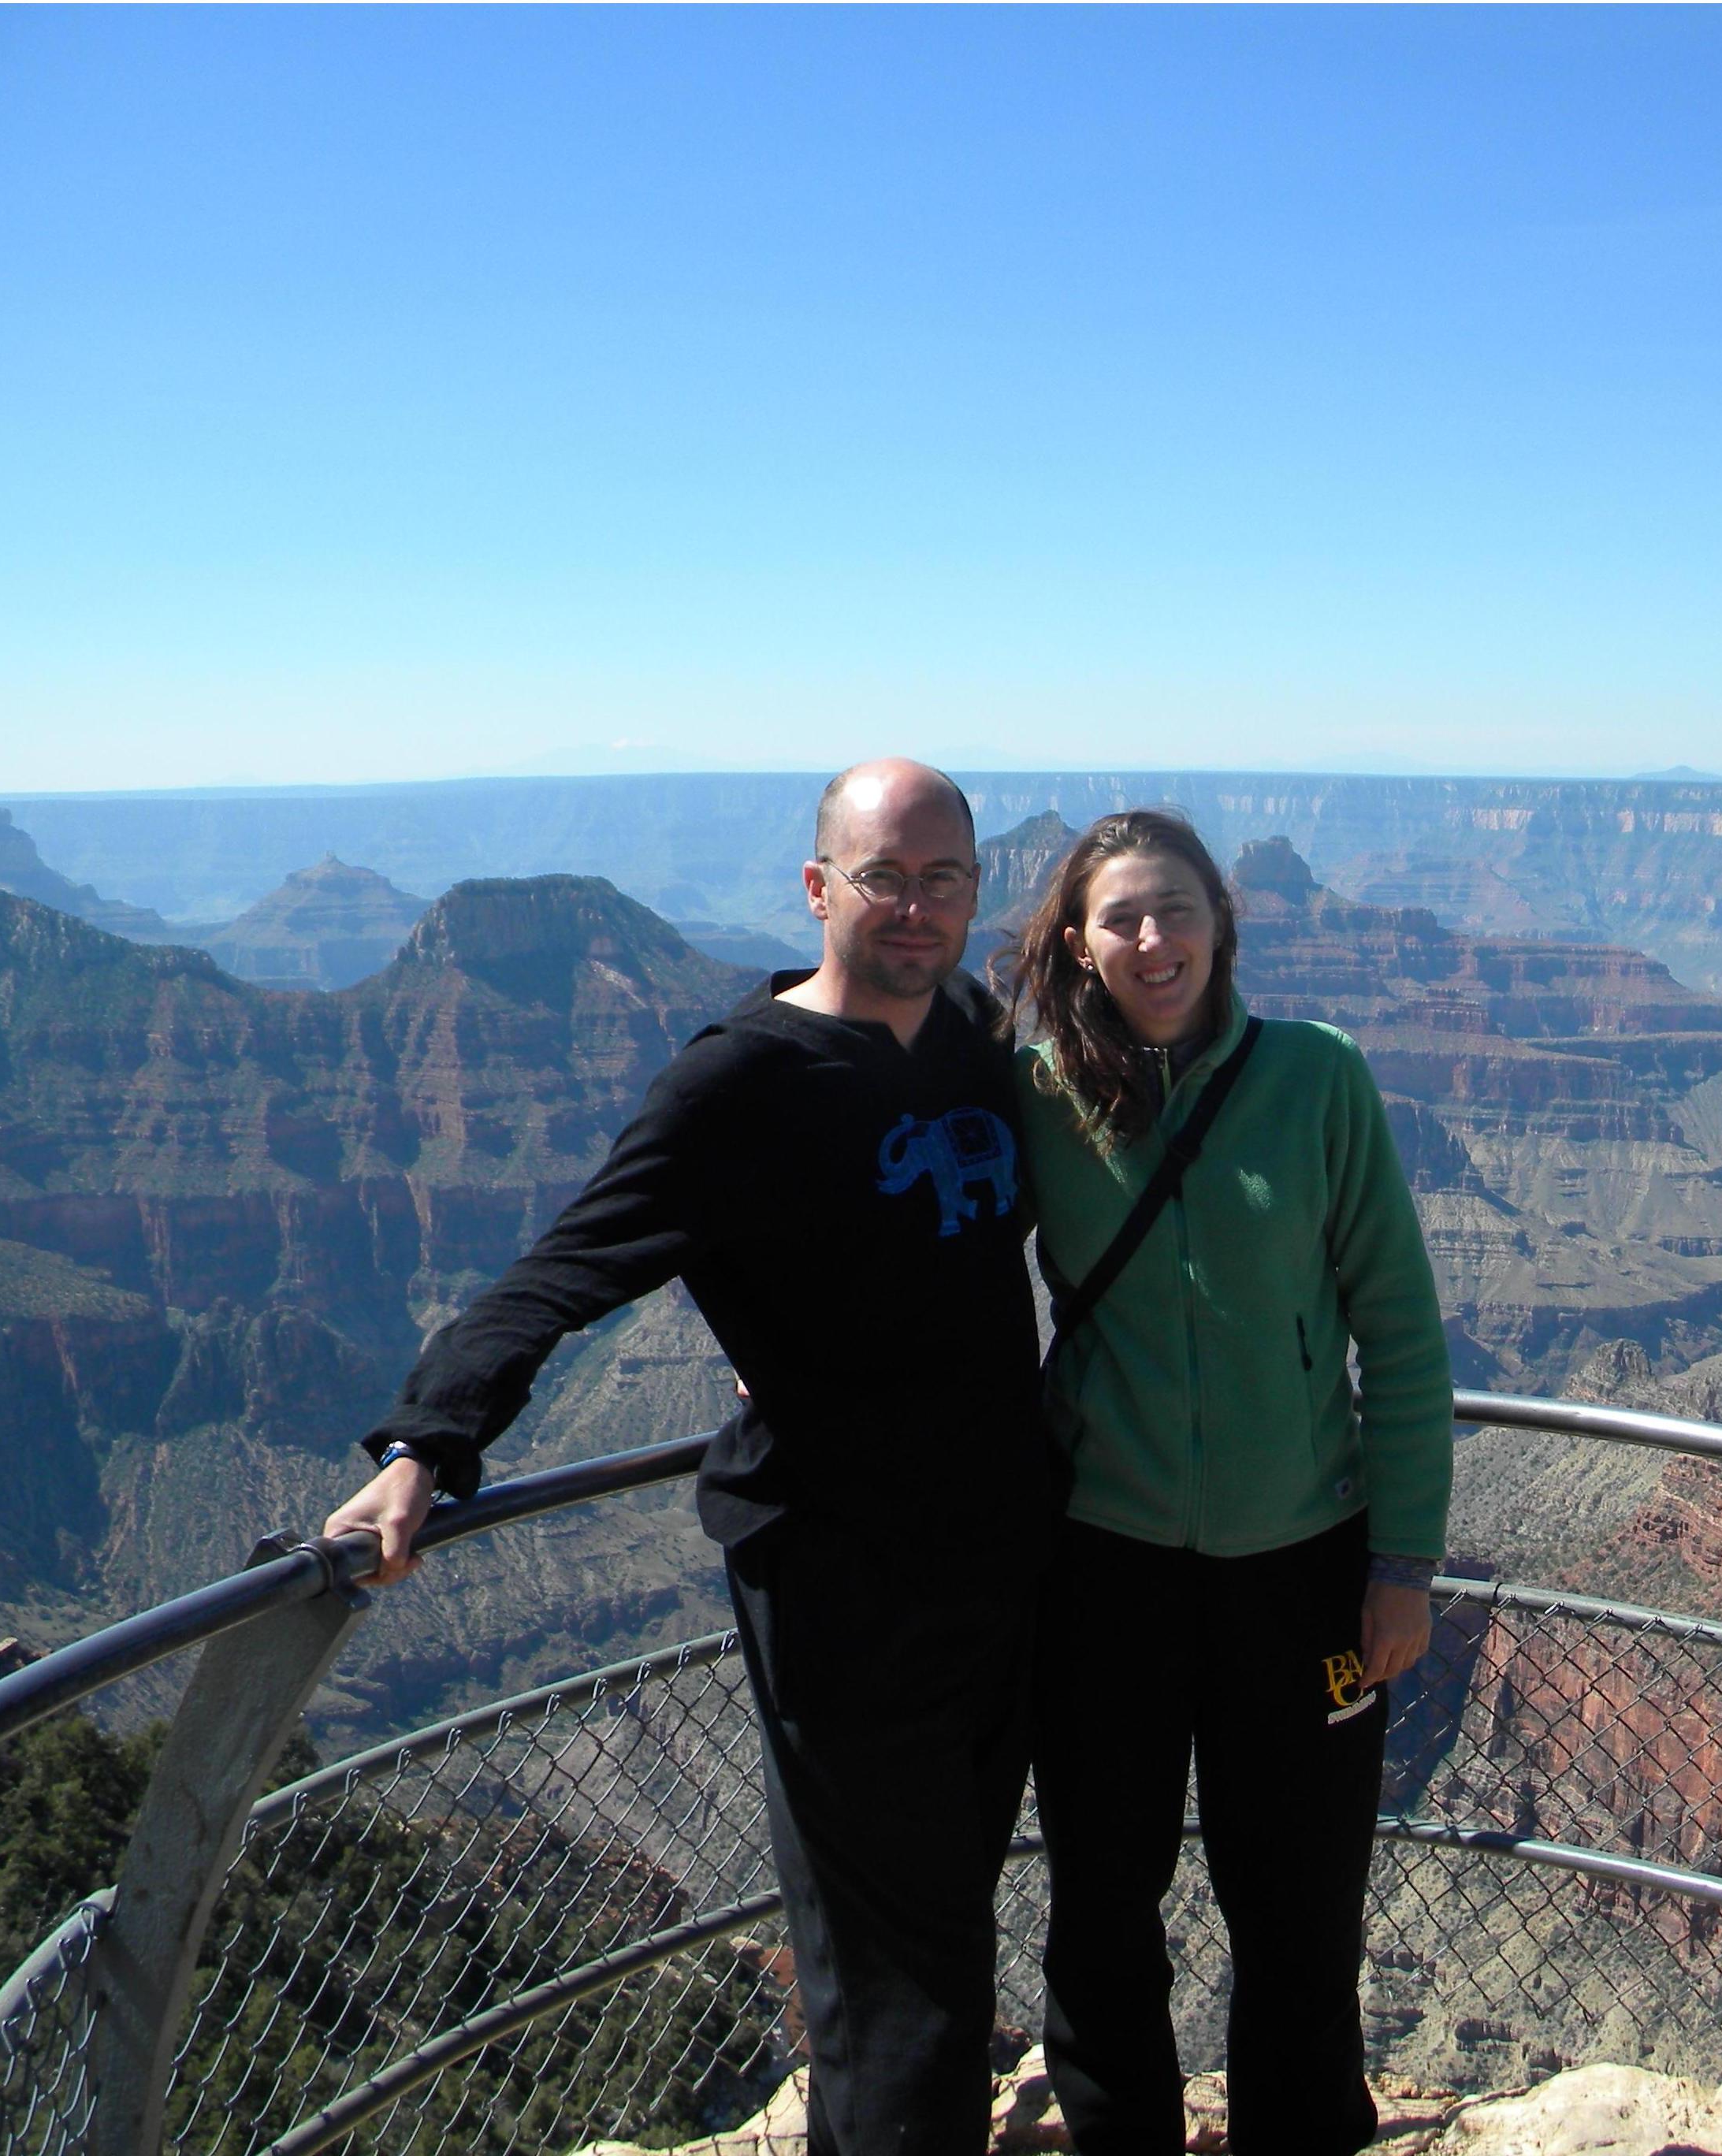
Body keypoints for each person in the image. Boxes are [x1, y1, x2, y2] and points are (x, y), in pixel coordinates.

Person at [322, 758, 1047, 2156]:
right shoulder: (740, 1084)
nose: (914, 906)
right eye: (884, 876)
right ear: (818, 884)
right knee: (897, 1982)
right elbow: (568, 1266)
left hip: (1003, 1563)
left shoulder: (966, 1029)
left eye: (943, 878)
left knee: (948, 1929)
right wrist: (427, 1441)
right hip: (840, 1579)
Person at [1002, 808, 1452, 2156]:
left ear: (1223, 925)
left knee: (1302, 1911)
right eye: (1124, 918)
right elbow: (903, 1234)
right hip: (1104, 1570)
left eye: (1177, 911)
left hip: (1304, 1572)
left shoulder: (1319, 1076)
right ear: (1078, 944)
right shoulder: (1035, 1097)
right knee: (1100, 1908)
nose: (1155, 940)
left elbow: (1402, 1332)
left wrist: (1405, 1563)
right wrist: (777, 1346)